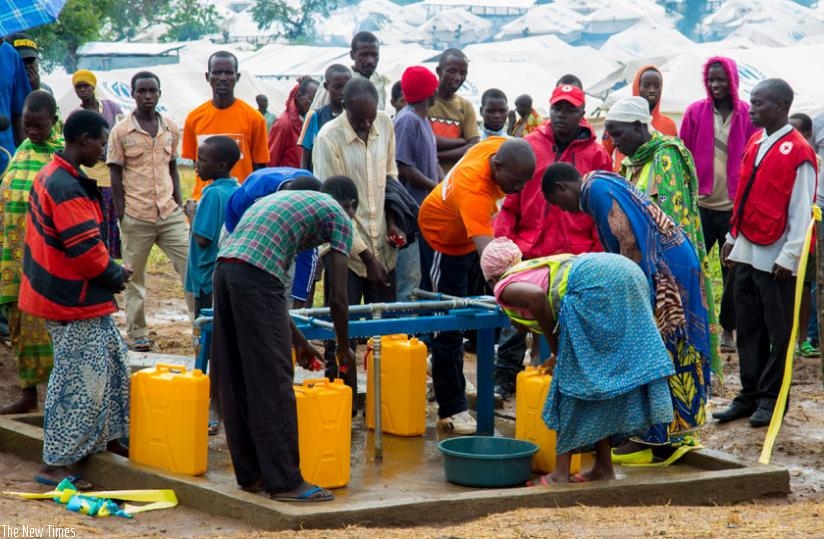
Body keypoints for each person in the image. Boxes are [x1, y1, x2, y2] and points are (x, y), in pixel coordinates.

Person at [542, 163, 712, 464]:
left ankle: (663, 439)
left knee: (661, 347)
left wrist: (626, 296)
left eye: (560, 205)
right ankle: (657, 435)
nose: (567, 212)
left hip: (666, 271)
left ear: (561, 188)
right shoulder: (600, 180)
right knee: (662, 346)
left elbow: (628, 243)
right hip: (673, 261)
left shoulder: (596, 192)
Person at [211, 176, 359, 502]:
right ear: (351, 206)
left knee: (236, 374)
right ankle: (286, 482)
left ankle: (252, 475)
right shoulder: (339, 215)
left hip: (225, 271)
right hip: (252, 274)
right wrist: (344, 347)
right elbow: (337, 296)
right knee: (274, 380)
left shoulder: (286, 206)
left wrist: (300, 342)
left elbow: (269, 286)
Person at [481, 239, 674, 483]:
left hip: (596, 283)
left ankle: (560, 473)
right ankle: (603, 467)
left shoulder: (503, 286)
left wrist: (556, 350)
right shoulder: (531, 268)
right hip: (625, 271)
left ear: (491, 278)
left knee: (571, 384)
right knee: (596, 380)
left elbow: (537, 298)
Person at [19, 110, 131, 488]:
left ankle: (104, 442)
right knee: (79, 383)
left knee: (113, 366)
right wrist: (115, 274)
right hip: (70, 298)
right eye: (100, 142)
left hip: (71, 295)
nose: (103, 149)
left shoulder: (57, 174)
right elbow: (85, 251)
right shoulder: (64, 185)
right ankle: (57, 463)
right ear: (84, 140)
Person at [492, 83, 610, 400]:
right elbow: (510, 203)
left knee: (572, 326)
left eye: (570, 109)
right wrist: (505, 247)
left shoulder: (597, 155)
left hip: (576, 256)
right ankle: (504, 381)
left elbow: (603, 210)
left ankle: (571, 389)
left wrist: (598, 256)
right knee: (515, 320)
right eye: (557, 107)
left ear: (582, 114)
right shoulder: (528, 146)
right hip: (529, 252)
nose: (562, 115)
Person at [715, 79, 818, 428]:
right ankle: (748, 393)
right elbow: (744, 193)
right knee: (748, 329)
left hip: (775, 258)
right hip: (745, 249)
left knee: (778, 333)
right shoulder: (756, 141)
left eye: (759, 103)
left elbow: (802, 210)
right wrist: (731, 236)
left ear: (781, 105)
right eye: (752, 103)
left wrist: (789, 257)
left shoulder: (800, 151)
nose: (752, 109)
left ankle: (772, 399)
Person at [418, 137, 536, 434]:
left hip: (470, 234)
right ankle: (452, 409)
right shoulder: (473, 190)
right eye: (516, 181)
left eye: (525, 182)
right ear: (497, 165)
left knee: (469, 314)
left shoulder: (498, 147)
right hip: (441, 240)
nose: (519, 190)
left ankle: (443, 365)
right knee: (446, 322)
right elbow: (491, 262)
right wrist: (520, 295)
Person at [605, 96, 720, 372]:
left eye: (618, 134)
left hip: (669, 267)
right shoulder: (630, 162)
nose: (614, 142)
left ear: (637, 125)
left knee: (676, 339)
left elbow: (673, 221)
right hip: (643, 265)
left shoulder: (666, 155)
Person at [313, 78, 400, 394]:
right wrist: (365, 255)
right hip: (344, 250)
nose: (367, 124)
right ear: (344, 107)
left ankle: (383, 401)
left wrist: (394, 221)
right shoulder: (328, 139)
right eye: (359, 119)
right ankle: (340, 399)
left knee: (386, 332)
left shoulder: (385, 124)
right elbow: (330, 207)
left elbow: (391, 176)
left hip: (383, 245)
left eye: (371, 117)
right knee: (341, 330)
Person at [680, 56, 758, 353]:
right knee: (691, 264)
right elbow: (683, 154)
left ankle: (728, 329)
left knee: (733, 272)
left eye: (721, 79)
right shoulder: (695, 113)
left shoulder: (749, 115)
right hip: (700, 203)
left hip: (733, 207)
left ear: (733, 80)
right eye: (711, 79)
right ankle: (690, 324)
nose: (715, 85)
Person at [108, 71, 190, 352]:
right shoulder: (121, 131)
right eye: (141, 91)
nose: (147, 96)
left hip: (169, 213)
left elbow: (173, 168)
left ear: (159, 93)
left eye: (152, 91)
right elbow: (115, 174)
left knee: (192, 269)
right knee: (134, 278)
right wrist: (122, 213)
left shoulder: (170, 128)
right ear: (133, 93)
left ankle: (201, 330)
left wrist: (178, 205)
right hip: (136, 214)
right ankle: (138, 334)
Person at [0, 91, 62, 415]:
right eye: (27, 125)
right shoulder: (20, 153)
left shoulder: (61, 156)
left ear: (53, 121)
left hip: (48, 262)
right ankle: (28, 396)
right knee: (20, 328)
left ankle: (57, 399)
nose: (33, 132)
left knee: (53, 332)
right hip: (15, 261)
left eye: (39, 126)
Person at [224, 167, 323, 308]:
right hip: (240, 229)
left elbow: (307, 259)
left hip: (283, 234)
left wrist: (298, 309)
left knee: (286, 288)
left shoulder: (312, 195)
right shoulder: (253, 195)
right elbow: (239, 240)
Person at [182, 51, 270, 201]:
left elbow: (260, 167)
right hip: (205, 201)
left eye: (228, 73)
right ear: (207, 76)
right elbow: (196, 164)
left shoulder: (255, 119)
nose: (222, 78)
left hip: (241, 202)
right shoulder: (194, 118)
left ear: (238, 77)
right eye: (216, 72)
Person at [393, 66, 439, 303]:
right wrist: (435, 186)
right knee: (410, 277)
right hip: (411, 211)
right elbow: (403, 167)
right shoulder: (407, 120)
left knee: (423, 273)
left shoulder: (423, 120)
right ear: (428, 92)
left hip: (426, 210)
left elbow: (432, 160)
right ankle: (405, 334)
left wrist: (444, 182)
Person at [72, 69, 124, 258]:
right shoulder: (76, 115)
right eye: (78, 87)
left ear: (94, 87)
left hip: (110, 173)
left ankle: (108, 258)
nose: (82, 90)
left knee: (111, 219)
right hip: (89, 173)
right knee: (93, 220)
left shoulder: (111, 107)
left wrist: (108, 152)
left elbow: (122, 133)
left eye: (85, 86)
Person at [602, 65, 678, 171]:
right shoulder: (619, 121)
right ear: (637, 86)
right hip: (623, 181)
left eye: (657, 86)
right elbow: (605, 156)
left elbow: (673, 160)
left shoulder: (669, 125)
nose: (652, 90)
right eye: (646, 85)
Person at [789, 112, 820, 358]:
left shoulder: (814, 161)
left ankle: (804, 339)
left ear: (809, 135)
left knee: (807, 283)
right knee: (782, 286)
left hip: (809, 230)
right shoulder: (783, 157)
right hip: (786, 232)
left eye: (798, 131)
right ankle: (781, 336)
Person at [428, 48, 480, 173]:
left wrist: (434, 156)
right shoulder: (425, 102)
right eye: (452, 71)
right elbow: (424, 142)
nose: (458, 77)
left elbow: (473, 146)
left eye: (463, 73)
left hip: (453, 182)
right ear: (439, 71)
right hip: (425, 179)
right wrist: (460, 142)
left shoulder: (465, 107)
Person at [309, 31, 388, 111]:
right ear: (352, 55)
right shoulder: (338, 80)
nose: (370, 61)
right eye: (364, 55)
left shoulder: (378, 81)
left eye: (374, 55)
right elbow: (316, 115)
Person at [298, 65, 351, 172]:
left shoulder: (354, 117)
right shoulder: (315, 116)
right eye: (337, 87)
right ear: (326, 86)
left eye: (347, 87)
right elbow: (305, 159)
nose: (343, 92)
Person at [268, 78, 318, 168]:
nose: (315, 104)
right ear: (299, 96)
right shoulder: (283, 124)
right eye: (312, 99)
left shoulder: (312, 120)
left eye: (317, 100)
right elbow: (271, 160)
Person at [0, 38, 31, 173]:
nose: (3, 37)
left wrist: (26, 158)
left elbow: (21, 112)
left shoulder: (10, 54)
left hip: (6, 160)